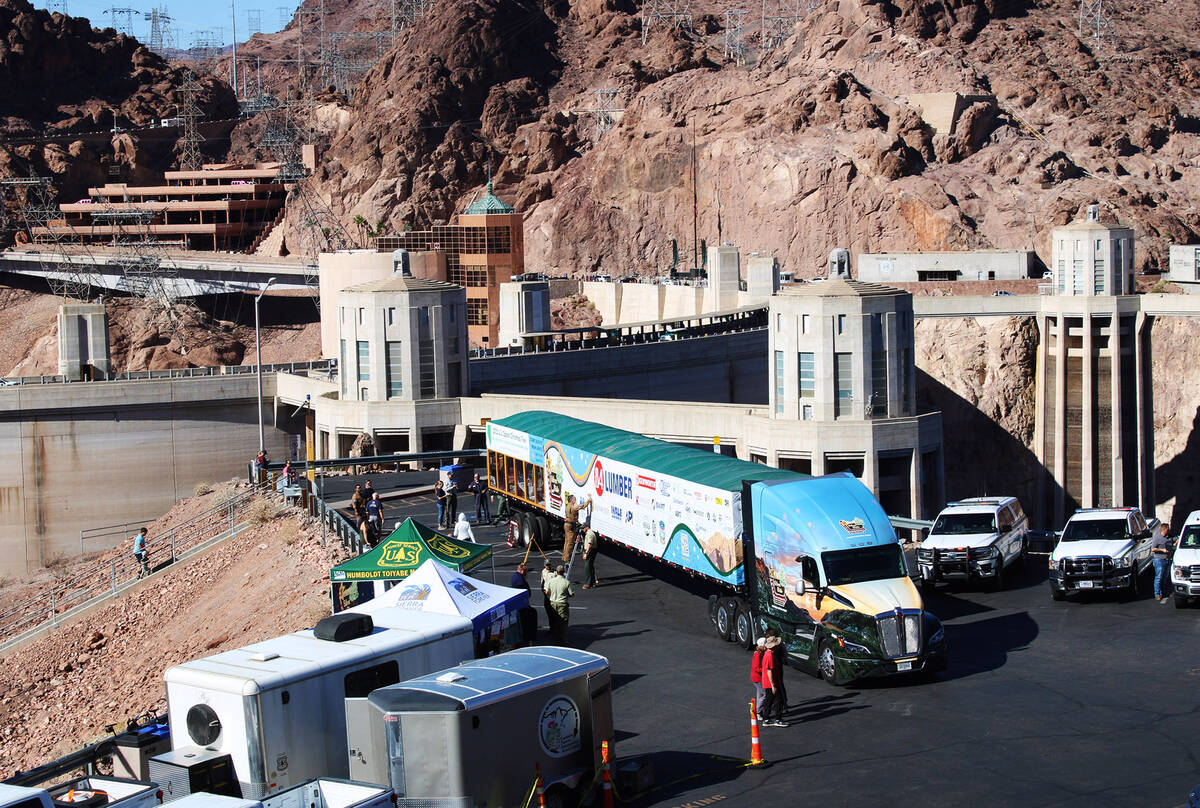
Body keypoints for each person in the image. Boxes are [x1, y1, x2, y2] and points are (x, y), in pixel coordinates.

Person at [760, 632, 788, 727]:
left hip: (768, 682)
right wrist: (773, 685)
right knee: (779, 700)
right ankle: (778, 719)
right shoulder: (770, 656)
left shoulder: (767, 654)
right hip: (771, 683)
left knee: (769, 700)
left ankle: (766, 719)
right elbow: (769, 671)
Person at [543, 564, 574, 644]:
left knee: (554, 619)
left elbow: (546, 591)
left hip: (553, 603)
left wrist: (550, 595)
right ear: (563, 572)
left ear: (556, 572)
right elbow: (571, 594)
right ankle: (562, 639)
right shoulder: (566, 582)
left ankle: (555, 636)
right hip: (562, 604)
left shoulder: (551, 581)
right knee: (563, 622)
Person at [562, 493, 593, 562]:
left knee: (566, 541)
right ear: (571, 500)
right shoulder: (573, 506)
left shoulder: (568, 506)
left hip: (566, 524)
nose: (575, 499)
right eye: (574, 498)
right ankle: (567, 558)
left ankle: (564, 556)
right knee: (570, 542)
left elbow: (572, 515)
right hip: (570, 525)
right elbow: (583, 506)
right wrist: (589, 500)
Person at [1153, 522, 1174, 602]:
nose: (1168, 531)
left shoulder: (1169, 537)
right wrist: (1162, 550)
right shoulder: (1157, 538)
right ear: (1164, 529)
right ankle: (1157, 594)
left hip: (1167, 560)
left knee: (1165, 578)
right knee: (1159, 577)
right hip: (1159, 560)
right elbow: (1153, 549)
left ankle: (1164, 592)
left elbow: (1175, 540)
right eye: (1167, 529)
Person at [750, 637, 767, 713]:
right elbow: (757, 668)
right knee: (765, 694)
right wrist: (766, 670)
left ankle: (758, 710)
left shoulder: (760, 653)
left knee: (760, 694)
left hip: (759, 678)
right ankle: (758, 711)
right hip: (757, 678)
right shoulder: (757, 654)